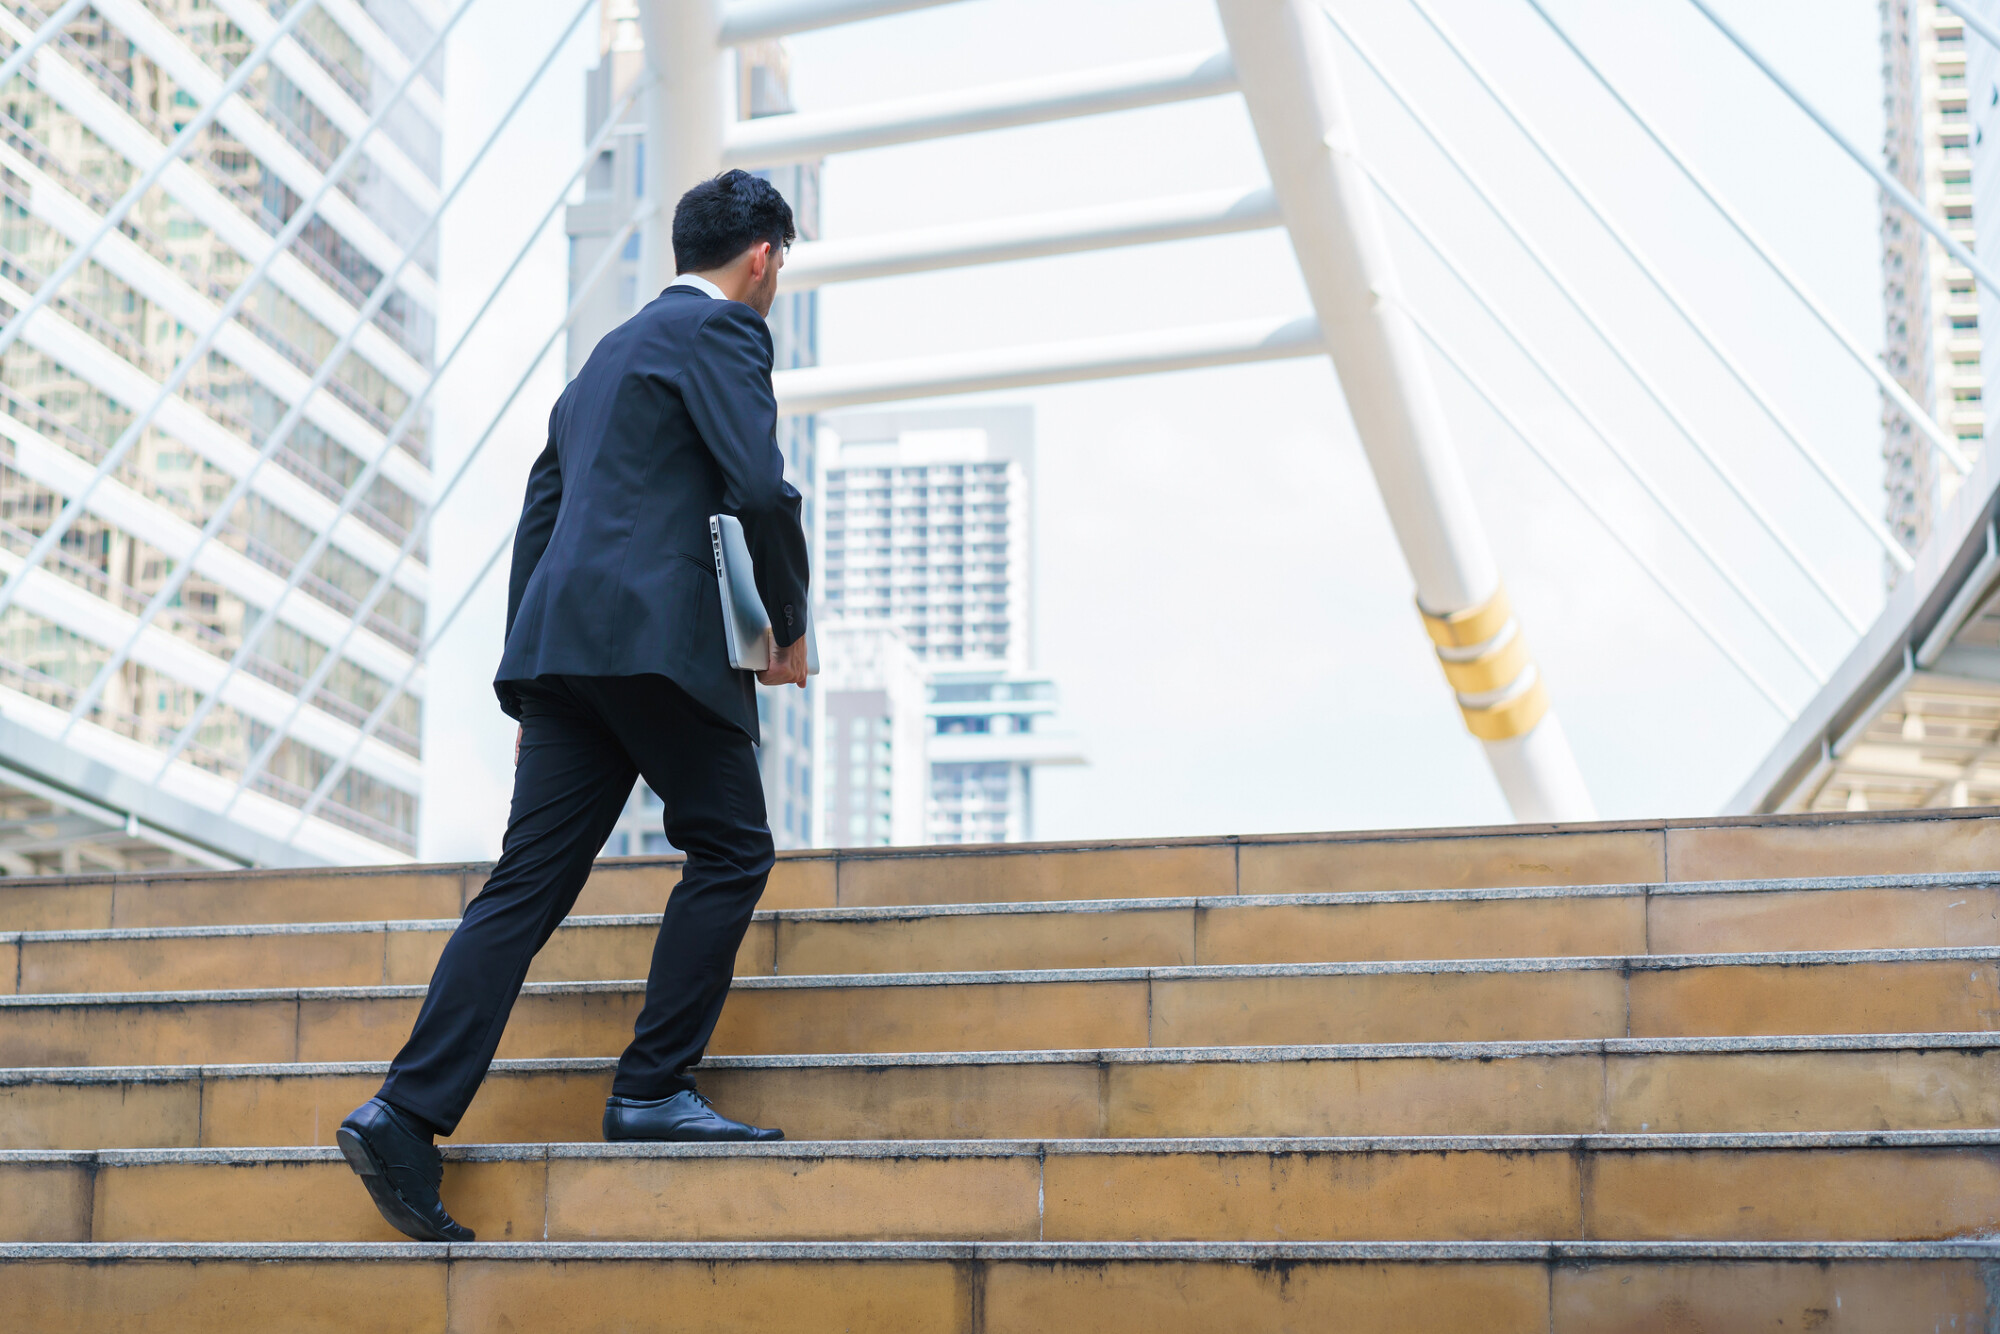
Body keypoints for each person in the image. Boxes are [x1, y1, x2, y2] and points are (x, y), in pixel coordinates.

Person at [336, 169, 811, 1244]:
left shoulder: (603, 357)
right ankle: (650, 1086)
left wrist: (529, 669)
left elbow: (541, 506)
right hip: (656, 643)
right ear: (763, 258)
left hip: (564, 646)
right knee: (732, 846)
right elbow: (761, 487)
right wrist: (787, 626)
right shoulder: (726, 335)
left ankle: (404, 1112)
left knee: (524, 888)